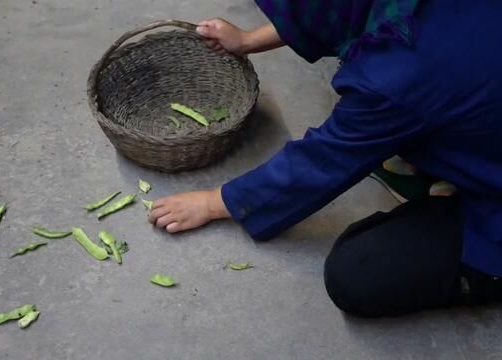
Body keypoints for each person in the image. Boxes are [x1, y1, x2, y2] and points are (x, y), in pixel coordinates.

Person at [148, 0, 502, 317]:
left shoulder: (398, 74)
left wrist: (215, 201)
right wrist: (249, 40)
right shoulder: (404, 30)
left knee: (356, 274)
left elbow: (323, 161)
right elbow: (332, 9)